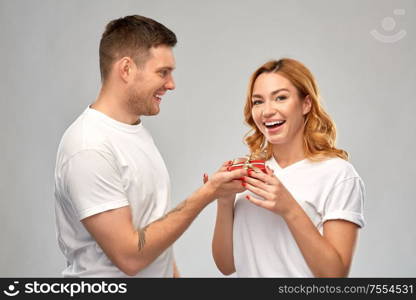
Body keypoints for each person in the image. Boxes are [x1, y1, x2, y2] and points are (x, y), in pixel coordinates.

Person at [54, 15, 247, 277]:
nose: (171, 84)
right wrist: (207, 193)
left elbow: (154, 237)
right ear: (126, 69)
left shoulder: (135, 132)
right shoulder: (89, 147)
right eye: (162, 72)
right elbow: (131, 258)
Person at [212, 58, 365, 277]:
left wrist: (289, 208)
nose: (266, 111)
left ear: (306, 104)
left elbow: (335, 275)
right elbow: (227, 266)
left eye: (280, 98)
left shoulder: (338, 175)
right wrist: (224, 201)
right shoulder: (250, 173)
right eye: (258, 101)